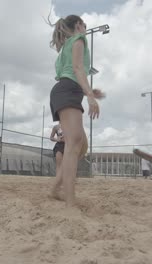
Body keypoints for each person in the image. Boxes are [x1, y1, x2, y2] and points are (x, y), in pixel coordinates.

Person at [49, 15, 104, 207]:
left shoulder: (65, 47)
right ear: (78, 25)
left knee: (79, 145)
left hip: (66, 90)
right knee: (74, 145)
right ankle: (70, 201)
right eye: (84, 25)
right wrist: (89, 96)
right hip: (68, 91)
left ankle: (56, 188)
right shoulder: (79, 39)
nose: (86, 28)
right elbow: (78, 68)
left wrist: (89, 91)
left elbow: (70, 73)